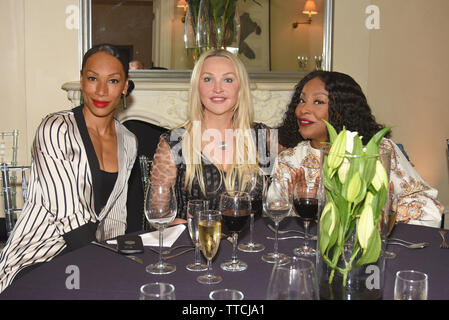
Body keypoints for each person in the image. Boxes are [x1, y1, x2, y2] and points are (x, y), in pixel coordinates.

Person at [0, 44, 137, 293]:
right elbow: (69, 217)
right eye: (93, 78)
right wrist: (106, 268)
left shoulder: (128, 141)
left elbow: (116, 215)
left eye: (113, 81)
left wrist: (117, 261)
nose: (101, 90)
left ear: (125, 86)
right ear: (82, 79)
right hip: (37, 259)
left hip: (88, 256)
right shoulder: (56, 128)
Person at [275, 70, 443, 228]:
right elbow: (274, 215)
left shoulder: (378, 152)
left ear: (342, 110)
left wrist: (380, 208)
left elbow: (431, 213)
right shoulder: (289, 160)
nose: (303, 109)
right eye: (302, 100)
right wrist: (295, 203)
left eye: (318, 101)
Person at [149, 49, 277, 221]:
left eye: (228, 79)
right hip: (194, 245)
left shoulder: (264, 137)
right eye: (208, 79)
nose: (217, 89)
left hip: (251, 245)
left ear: (241, 87)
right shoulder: (175, 141)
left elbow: (281, 204)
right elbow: (157, 217)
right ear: (197, 86)